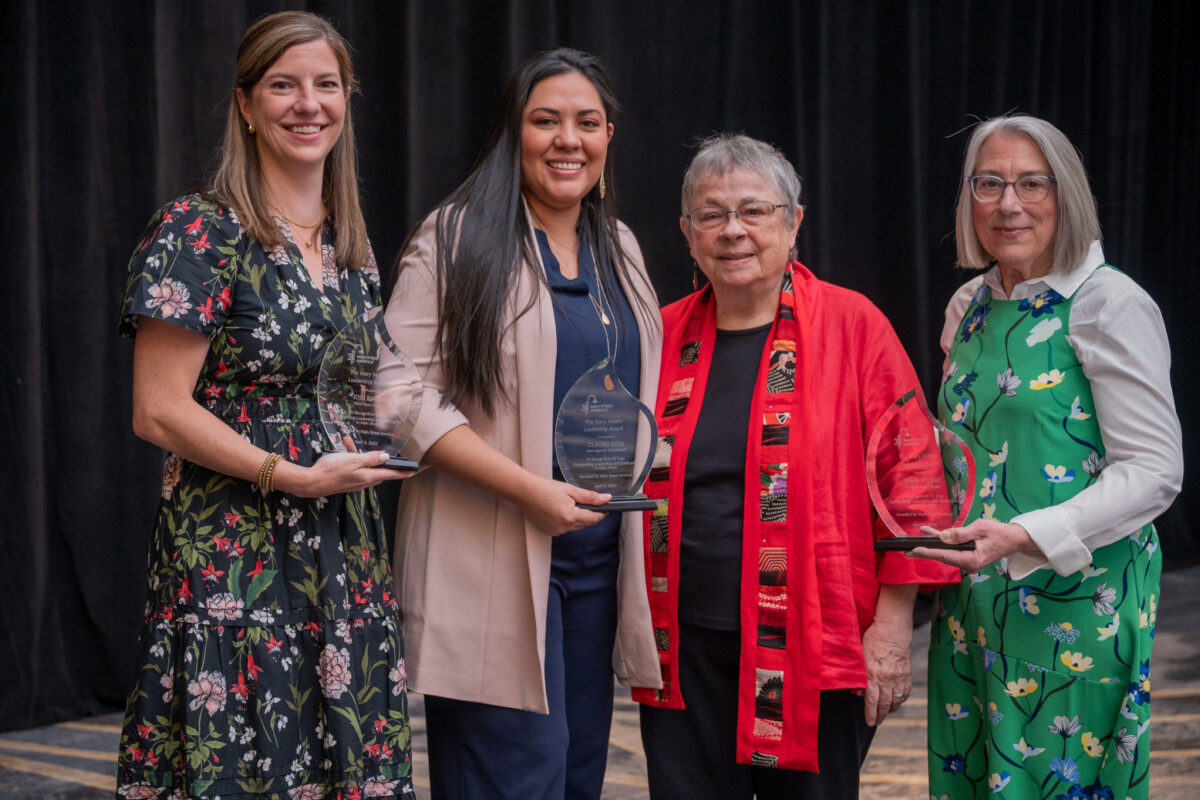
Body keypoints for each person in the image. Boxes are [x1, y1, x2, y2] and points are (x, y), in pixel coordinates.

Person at [115, 12, 413, 798]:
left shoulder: (351, 249)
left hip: (341, 549)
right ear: (246, 105)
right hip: (233, 559)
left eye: (325, 85)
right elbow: (156, 409)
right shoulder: (200, 230)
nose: (306, 104)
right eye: (283, 85)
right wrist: (290, 474)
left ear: (347, 99)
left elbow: (356, 397)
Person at [633, 133, 959, 799]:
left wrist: (893, 630)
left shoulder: (852, 325)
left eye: (753, 211)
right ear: (687, 232)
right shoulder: (657, 333)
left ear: (794, 222)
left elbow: (914, 479)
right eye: (712, 214)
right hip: (683, 643)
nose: (733, 232)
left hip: (811, 641)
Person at [384, 48, 662, 799]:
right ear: (515, 132)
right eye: (546, 121)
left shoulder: (622, 249)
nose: (568, 140)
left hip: (594, 561)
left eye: (587, 122)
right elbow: (394, 394)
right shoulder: (457, 236)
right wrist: (526, 488)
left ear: (609, 137)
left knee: (574, 777)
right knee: (512, 780)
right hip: (494, 551)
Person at [913, 115, 1182, 799]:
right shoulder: (967, 305)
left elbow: (1154, 472)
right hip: (976, 603)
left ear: (1066, 196)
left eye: (1033, 184)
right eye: (990, 183)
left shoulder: (1108, 305)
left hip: (1076, 609)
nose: (1009, 203)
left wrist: (1025, 535)